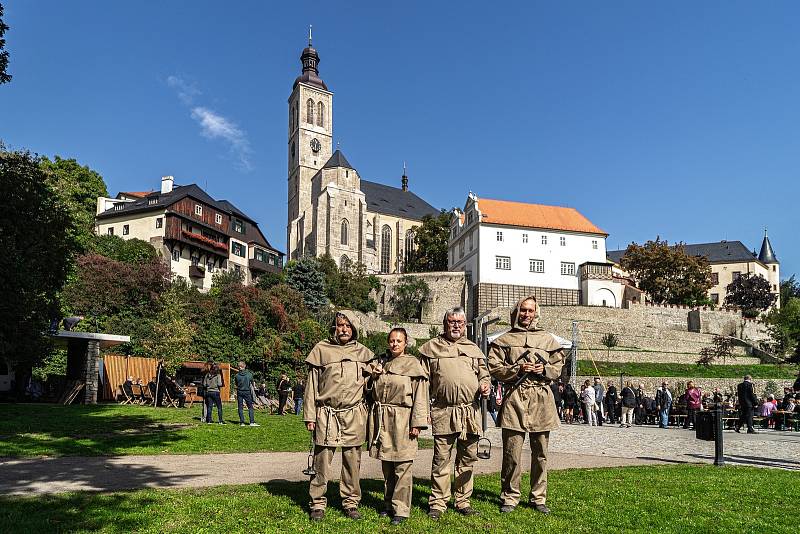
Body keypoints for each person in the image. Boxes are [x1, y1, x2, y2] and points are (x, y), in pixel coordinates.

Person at [488, 295, 565, 515]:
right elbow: (494, 368)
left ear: (536, 313)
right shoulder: (504, 340)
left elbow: (558, 366)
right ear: (516, 312)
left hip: (541, 398)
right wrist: (517, 370)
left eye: (531, 311)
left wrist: (545, 370)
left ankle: (538, 497)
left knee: (540, 453)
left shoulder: (548, 340)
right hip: (515, 398)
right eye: (523, 310)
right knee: (512, 452)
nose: (527, 315)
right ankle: (510, 496)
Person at [304, 310, 375, 522]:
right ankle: (317, 503)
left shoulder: (364, 353)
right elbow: (311, 386)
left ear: (354, 329)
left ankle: (351, 502)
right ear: (334, 327)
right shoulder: (321, 349)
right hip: (327, 413)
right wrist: (310, 415)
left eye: (347, 325)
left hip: (354, 413)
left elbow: (373, 386)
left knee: (352, 461)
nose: (343, 329)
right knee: (321, 460)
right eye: (340, 325)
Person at [418, 307, 490, 520]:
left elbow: (484, 374)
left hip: (469, 411)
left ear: (465, 325)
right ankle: (438, 503)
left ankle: (462, 500)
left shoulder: (473, 348)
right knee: (441, 459)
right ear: (445, 323)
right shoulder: (431, 348)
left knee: (467, 458)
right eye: (452, 321)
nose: (456, 325)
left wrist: (484, 384)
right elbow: (422, 384)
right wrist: (424, 413)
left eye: (460, 322)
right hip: (443, 410)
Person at [366, 328, 429, 526]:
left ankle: (401, 509)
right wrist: (373, 376)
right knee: (387, 464)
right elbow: (369, 391)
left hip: (403, 418)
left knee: (402, 465)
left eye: (399, 341)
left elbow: (421, 396)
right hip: (383, 419)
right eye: (392, 340)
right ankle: (388, 504)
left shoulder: (413, 365)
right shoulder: (381, 363)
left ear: (406, 343)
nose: (394, 344)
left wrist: (417, 423)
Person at [234, 361, 258, 427]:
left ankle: (242, 422)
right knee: (250, 407)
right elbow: (252, 383)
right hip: (247, 391)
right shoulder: (249, 374)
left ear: (239, 367)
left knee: (240, 407)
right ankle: (252, 422)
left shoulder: (237, 375)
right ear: (244, 366)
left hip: (239, 392)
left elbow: (236, 384)